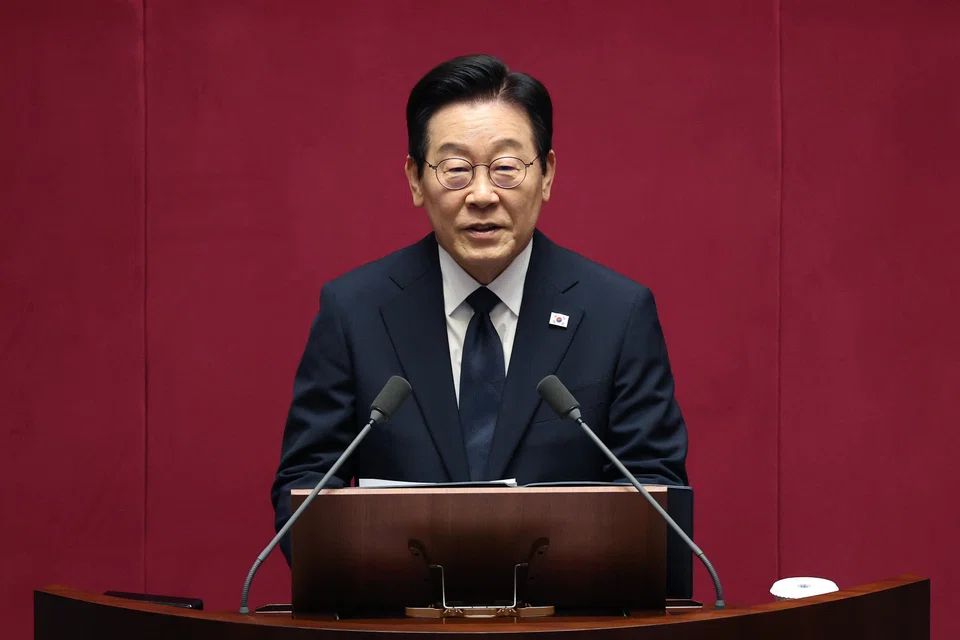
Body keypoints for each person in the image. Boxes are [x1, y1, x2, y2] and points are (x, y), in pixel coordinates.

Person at [271, 54, 688, 563]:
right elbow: (305, 489)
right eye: (456, 170)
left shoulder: (616, 313)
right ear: (415, 180)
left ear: (548, 174)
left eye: (507, 168)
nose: (483, 194)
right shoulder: (354, 312)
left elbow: (655, 497)